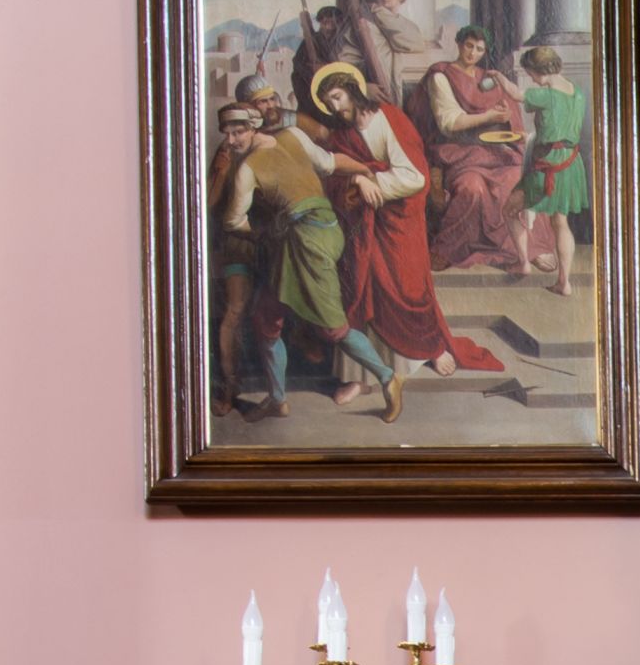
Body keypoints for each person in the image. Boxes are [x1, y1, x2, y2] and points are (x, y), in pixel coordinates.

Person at [305, 66, 501, 385]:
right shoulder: (341, 136)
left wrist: (373, 181)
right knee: (362, 287)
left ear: (352, 91)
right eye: (328, 103)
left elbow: (416, 176)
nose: (335, 107)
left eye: (337, 97)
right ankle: (362, 375)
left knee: (410, 288)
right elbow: (334, 180)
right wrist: (357, 180)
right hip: (365, 225)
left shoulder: (390, 117)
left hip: (400, 220)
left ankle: (429, 348)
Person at [240, 82, 398, 415]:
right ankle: (277, 399)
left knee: (333, 328)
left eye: (270, 99)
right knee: (266, 318)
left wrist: (363, 171)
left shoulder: (292, 133)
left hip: (310, 238)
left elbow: (328, 162)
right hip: (286, 244)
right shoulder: (247, 152)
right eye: (259, 103)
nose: (268, 106)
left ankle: (387, 377)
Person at [421, 29, 531, 274]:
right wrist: (489, 116)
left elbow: (510, 113)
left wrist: (505, 114)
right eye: (469, 46)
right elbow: (449, 123)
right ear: (459, 44)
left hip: (494, 151)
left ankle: (525, 250)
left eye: (479, 49)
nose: (473, 53)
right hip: (458, 153)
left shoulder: (488, 78)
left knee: (516, 180)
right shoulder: (441, 76)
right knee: (472, 188)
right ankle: (449, 249)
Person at [208, 99, 283, 414]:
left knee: (277, 310)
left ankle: (278, 395)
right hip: (237, 244)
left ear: (253, 129)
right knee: (234, 313)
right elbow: (209, 203)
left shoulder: (270, 150)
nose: (231, 139)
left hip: (271, 242)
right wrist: (222, 171)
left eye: (238, 132)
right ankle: (230, 386)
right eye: (227, 132)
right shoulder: (225, 156)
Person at [516, 38, 590, 296]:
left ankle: (524, 262)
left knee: (510, 209)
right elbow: (560, 127)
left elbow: (515, 95)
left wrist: (498, 78)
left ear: (539, 70)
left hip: (550, 163)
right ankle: (564, 282)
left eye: (530, 73)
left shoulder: (546, 94)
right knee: (561, 221)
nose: (531, 78)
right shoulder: (576, 92)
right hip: (571, 162)